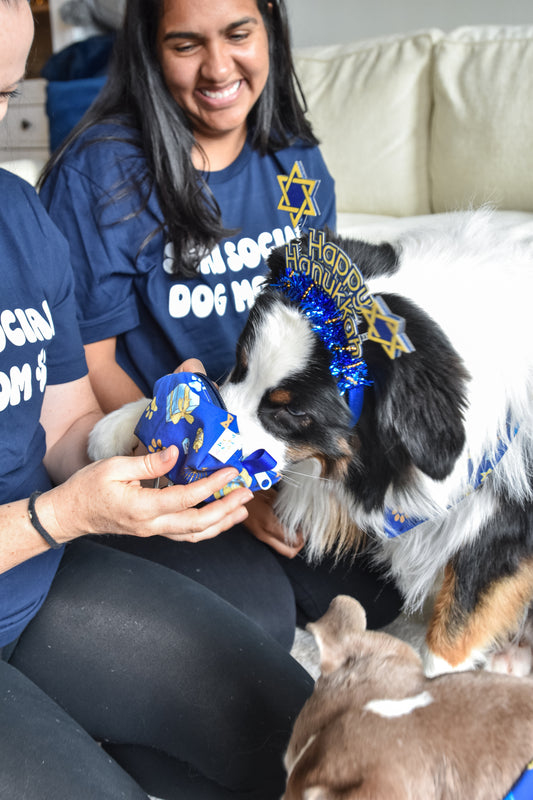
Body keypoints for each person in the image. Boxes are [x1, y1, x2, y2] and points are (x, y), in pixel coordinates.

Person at [0, 2, 315, 798]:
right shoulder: (100, 174)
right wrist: (64, 514)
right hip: (43, 538)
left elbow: (66, 426)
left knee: (300, 734)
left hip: (33, 578)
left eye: (0, 95)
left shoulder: (16, 215)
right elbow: (62, 502)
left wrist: (152, 437)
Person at [40, 0, 402, 649]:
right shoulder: (99, 175)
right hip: (168, 458)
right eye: (186, 45)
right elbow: (91, 368)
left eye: (239, 34)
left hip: (276, 449)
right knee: (250, 625)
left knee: (383, 592)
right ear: (150, 51)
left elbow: (325, 332)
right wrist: (228, 482)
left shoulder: (295, 158)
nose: (218, 67)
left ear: (270, 30)